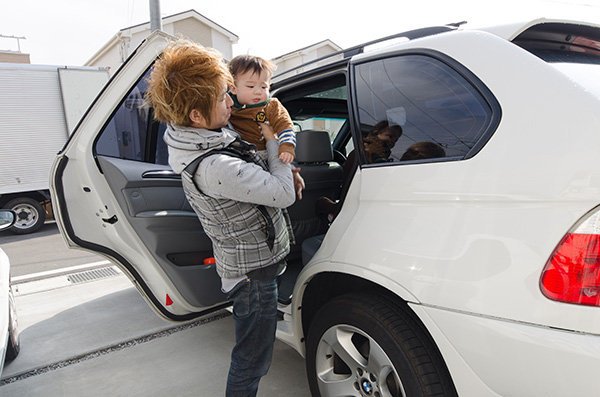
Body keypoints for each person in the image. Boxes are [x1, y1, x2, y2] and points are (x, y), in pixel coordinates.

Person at [145, 39, 296, 397]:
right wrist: (274, 141)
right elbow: (283, 193)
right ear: (197, 116)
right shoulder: (215, 165)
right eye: (222, 97)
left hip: (246, 266)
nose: (232, 102)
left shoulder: (200, 139)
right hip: (253, 277)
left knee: (251, 353)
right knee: (251, 360)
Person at [316, 120, 402, 223]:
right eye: (389, 136)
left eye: (395, 140)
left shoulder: (361, 154)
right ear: (376, 132)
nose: (392, 141)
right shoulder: (368, 156)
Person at [228, 55, 296, 164]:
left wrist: (287, 147)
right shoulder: (228, 107)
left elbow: (285, 126)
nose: (258, 91)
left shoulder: (271, 106)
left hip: (266, 153)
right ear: (233, 88)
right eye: (250, 86)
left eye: (263, 87)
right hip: (239, 156)